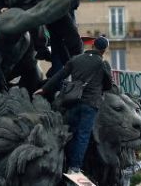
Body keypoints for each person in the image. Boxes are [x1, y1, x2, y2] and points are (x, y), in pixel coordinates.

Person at [35, 35, 113, 175]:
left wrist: (45, 88)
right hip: (91, 104)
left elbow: (60, 75)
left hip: (73, 101)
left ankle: (62, 162)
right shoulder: (103, 64)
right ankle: (74, 167)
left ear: (92, 45)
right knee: (83, 135)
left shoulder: (76, 59)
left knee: (70, 132)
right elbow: (108, 86)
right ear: (104, 50)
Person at [37, 0, 84, 75]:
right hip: (60, 17)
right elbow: (73, 3)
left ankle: (55, 76)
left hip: (55, 17)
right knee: (72, 46)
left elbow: (75, 5)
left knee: (58, 50)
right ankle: (77, 71)